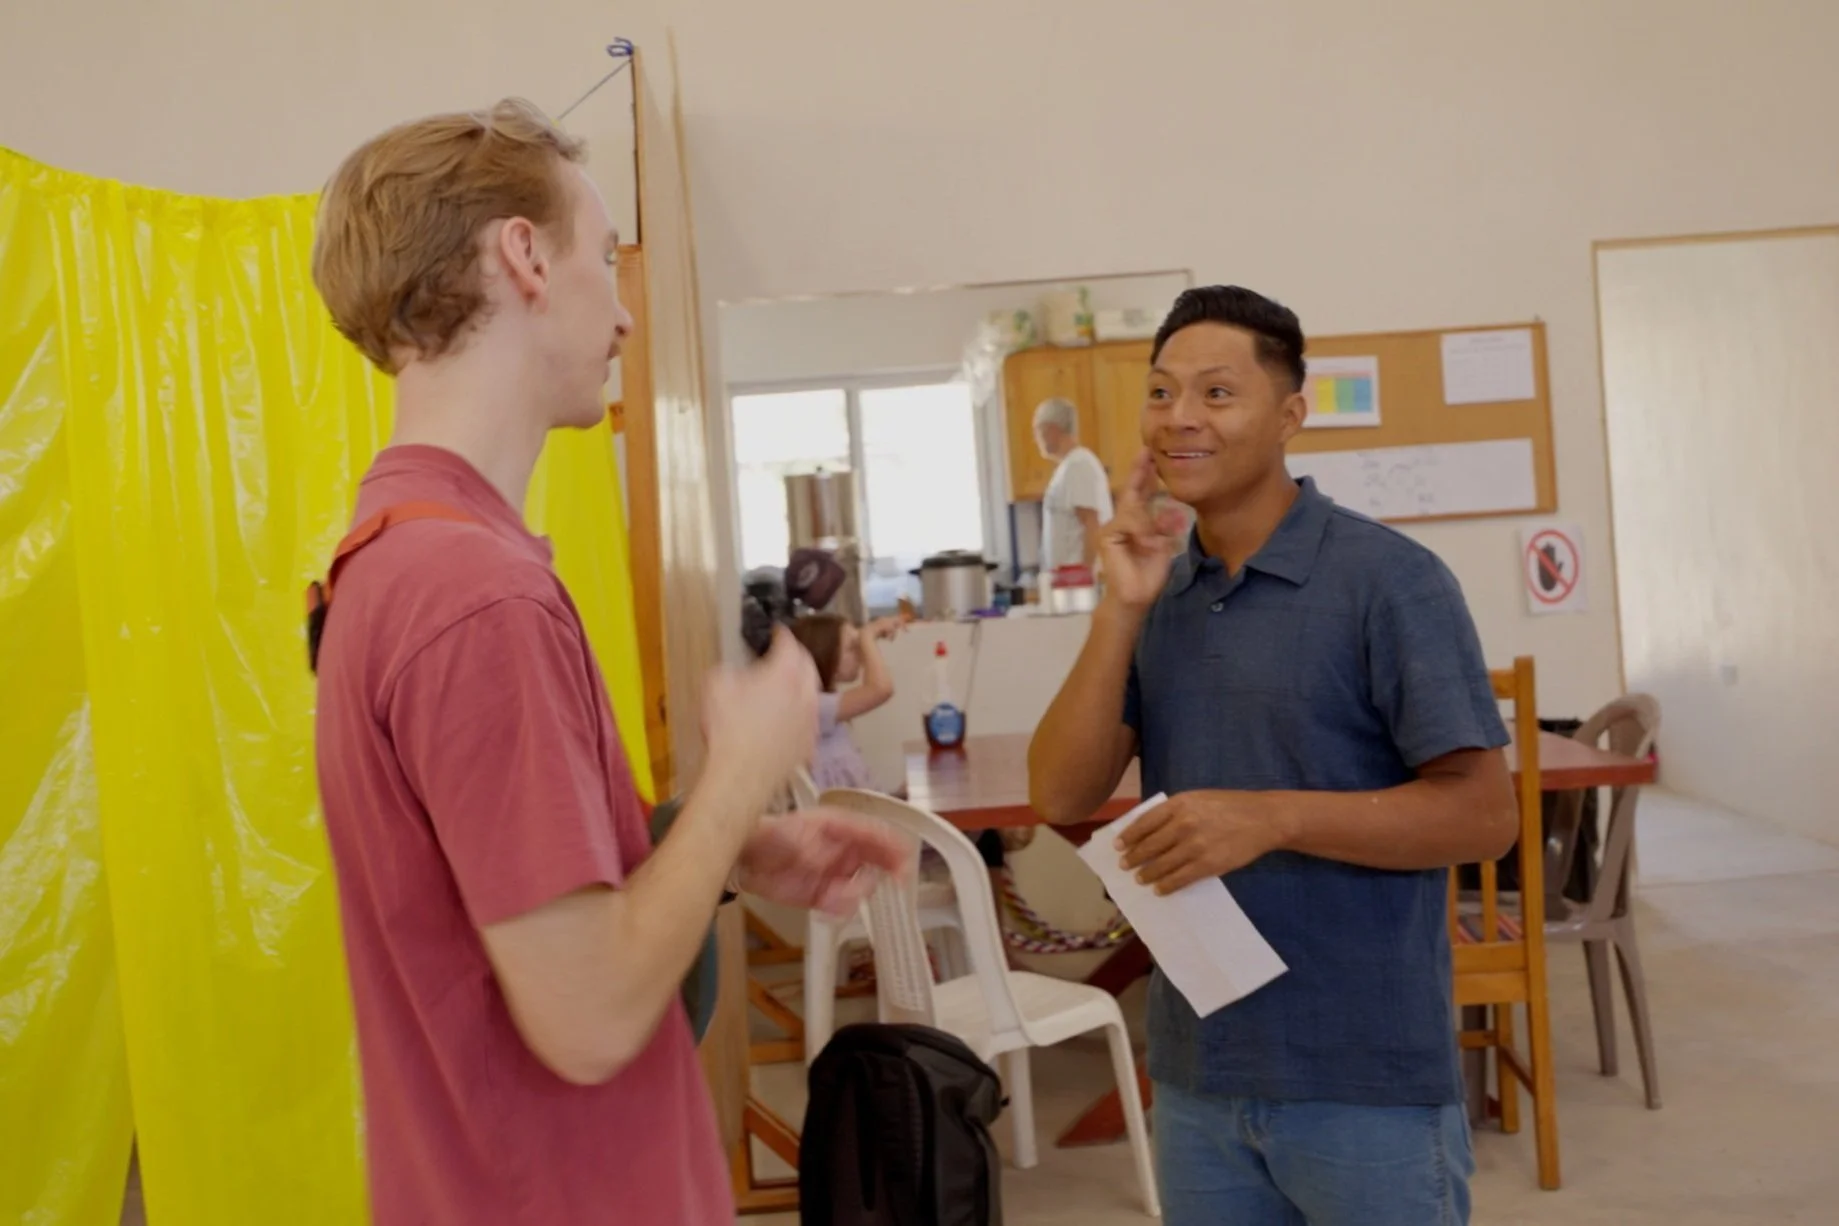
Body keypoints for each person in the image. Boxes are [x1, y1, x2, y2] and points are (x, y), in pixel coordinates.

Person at [309, 99, 905, 1226]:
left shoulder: (402, 554)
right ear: (523, 255)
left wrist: (728, 839)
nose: (625, 315)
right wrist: (744, 766)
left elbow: (502, 906)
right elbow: (586, 1015)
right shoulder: (473, 596)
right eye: (603, 259)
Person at [1028, 286, 1518, 1225]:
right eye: (1162, 392)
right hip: (1197, 1071)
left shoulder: (1389, 581)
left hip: (1363, 1074)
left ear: (1291, 414)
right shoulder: (1163, 594)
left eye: (1217, 393)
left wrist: (1271, 816)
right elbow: (1058, 791)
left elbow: (1483, 815)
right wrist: (1119, 606)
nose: (1179, 418)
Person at [788, 612, 903, 791]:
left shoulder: (823, 704)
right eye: (852, 647)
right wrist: (867, 636)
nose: (860, 653)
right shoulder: (812, 706)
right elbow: (881, 688)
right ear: (825, 654)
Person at [1034, 396, 1114, 585]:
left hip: (1077, 586)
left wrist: (1083, 580)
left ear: (1051, 429)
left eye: (1038, 431)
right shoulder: (1068, 467)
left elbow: (1092, 525)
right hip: (1067, 584)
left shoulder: (1079, 465)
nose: (1036, 439)